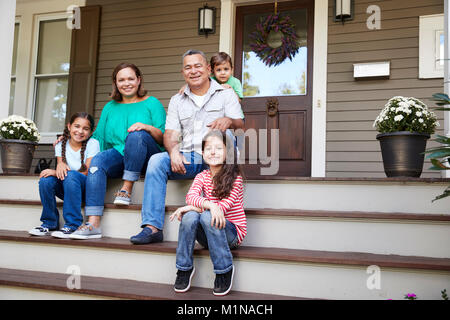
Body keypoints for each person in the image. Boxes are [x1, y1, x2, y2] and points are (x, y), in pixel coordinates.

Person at [130, 49, 245, 244]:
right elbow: (170, 134)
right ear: (183, 73)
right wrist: (173, 151)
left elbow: (240, 125)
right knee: (157, 160)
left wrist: (229, 120)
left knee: (227, 136)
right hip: (190, 158)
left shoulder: (226, 94)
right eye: (188, 67)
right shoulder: (177, 99)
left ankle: (224, 216)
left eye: (198, 66)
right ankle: (152, 227)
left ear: (208, 69)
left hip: (217, 159)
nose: (193, 71)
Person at [69, 62, 166, 240]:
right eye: (121, 80)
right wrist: (69, 140)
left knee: (136, 136)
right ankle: (93, 223)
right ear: (115, 83)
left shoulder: (152, 103)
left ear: (139, 80)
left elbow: (163, 137)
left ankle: (126, 188)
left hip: (147, 156)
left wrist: (145, 127)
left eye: (130, 78)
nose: (126, 83)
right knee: (98, 161)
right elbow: (99, 138)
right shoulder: (109, 107)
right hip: (120, 156)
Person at [169, 130, 246, 296]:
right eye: (209, 148)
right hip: (209, 230)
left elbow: (222, 208)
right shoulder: (201, 176)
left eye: (219, 148)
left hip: (231, 233)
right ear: (202, 153)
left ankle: (224, 269)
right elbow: (191, 196)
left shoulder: (236, 178)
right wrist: (204, 205)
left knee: (204, 214)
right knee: (190, 217)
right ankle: (184, 268)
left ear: (227, 152)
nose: (213, 152)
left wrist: (195, 207)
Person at [29, 112, 100, 239]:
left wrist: (56, 172)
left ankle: (72, 224)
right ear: (69, 126)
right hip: (68, 187)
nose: (80, 131)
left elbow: (86, 172)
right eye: (76, 126)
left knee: (71, 175)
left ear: (90, 131)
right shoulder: (61, 144)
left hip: (84, 189)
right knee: (46, 180)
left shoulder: (93, 143)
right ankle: (49, 222)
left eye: (85, 128)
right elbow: (61, 167)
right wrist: (57, 170)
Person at [179, 51, 243, 100]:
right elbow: (199, 84)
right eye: (218, 70)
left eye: (226, 69)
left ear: (231, 69)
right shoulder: (210, 80)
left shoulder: (235, 82)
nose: (223, 73)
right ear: (211, 71)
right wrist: (188, 87)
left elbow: (239, 101)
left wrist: (231, 90)